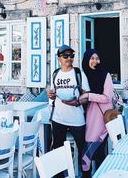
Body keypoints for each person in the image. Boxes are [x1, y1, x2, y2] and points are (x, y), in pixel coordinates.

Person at [47, 45, 90, 177]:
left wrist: (77, 102)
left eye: (71, 56)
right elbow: (52, 92)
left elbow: (87, 95)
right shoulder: (55, 74)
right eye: (65, 56)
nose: (69, 58)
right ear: (59, 58)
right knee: (58, 150)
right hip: (58, 118)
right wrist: (51, 95)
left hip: (77, 119)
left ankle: (86, 175)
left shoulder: (78, 73)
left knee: (83, 149)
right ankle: (59, 175)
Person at [80, 49, 115, 174]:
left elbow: (107, 98)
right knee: (89, 150)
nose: (95, 61)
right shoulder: (84, 76)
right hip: (88, 116)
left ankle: (102, 174)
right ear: (86, 60)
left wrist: (89, 96)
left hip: (102, 117)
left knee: (99, 151)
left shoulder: (105, 75)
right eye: (92, 58)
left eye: (97, 58)